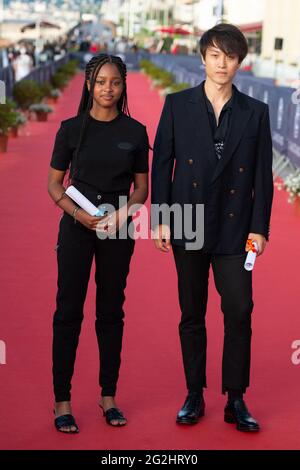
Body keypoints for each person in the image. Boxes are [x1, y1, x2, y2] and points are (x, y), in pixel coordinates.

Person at [151, 24, 273, 432]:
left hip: (236, 228)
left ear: (241, 61)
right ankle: (194, 393)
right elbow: (162, 166)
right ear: (202, 58)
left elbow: (262, 176)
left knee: (239, 311)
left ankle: (235, 398)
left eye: (231, 56)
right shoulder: (177, 105)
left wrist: (260, 228)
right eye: (215, 55)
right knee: (192, 313)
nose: (223, 63)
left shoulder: (256, 111)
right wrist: (161, 218)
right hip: (187, 221)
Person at [48, 53, 149, 433]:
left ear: (124, 86)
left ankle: (108, 396)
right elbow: (54, 184)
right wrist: (78, 215)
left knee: (110, 312)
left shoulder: (136, 132)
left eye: (116, 82)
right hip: (76, 229)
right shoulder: (70, 129)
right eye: (101, 81)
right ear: (89, 84)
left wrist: (122, 216)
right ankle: (62, 401)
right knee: (68, 311)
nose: (108, 88)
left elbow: (141, 189)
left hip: (118, 232)